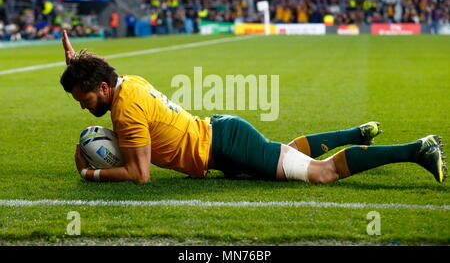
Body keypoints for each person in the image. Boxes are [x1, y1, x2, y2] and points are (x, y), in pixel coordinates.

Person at [60, 31, 446, 184]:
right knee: (286, 153)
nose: (83, 105)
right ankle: (355, 134)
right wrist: (76, 66)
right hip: (221, 140)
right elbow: (101, 76)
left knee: (322, 174)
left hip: (225, 144)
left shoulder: (124, 110)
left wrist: (90, 173)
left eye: (84, 97)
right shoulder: (129, 84)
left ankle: (417, 149)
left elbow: (139, 174)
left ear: (102, 88)